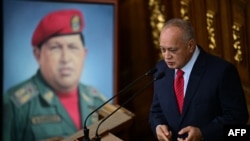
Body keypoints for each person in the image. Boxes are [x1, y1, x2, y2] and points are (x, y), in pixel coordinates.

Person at [3, 9, 107, 141]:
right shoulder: (14, 105)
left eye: (73, 47)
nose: (65, 58)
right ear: (37, 55)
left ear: (84, 54)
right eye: (55, 48)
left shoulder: (99, 102)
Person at [149, 18, 249, 141]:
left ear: (190, 46)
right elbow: (156, 111)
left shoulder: (222, 72)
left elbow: (238, 120)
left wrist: (203, 134)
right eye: (163, 49)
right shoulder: (161, 70)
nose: (166, 56)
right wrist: (158, 126)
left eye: (172, 50)